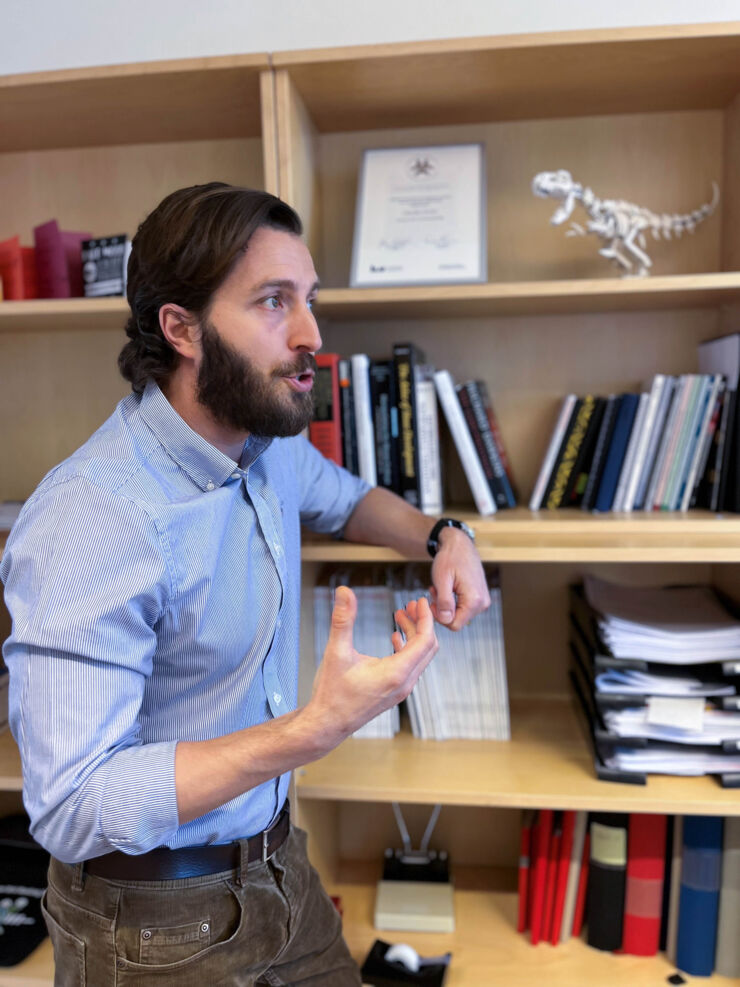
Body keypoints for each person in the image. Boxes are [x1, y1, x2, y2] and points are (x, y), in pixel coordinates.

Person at [0, 182, 490, 985]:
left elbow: (346, 497)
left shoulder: (266, 440)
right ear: (180, 327)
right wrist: (312, 730)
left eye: (309, 299)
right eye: (273, 302)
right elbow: (71, 803)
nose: (311, 335)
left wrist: (445, 537)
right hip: (147, 922)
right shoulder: (94, 516)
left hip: (278, 867)